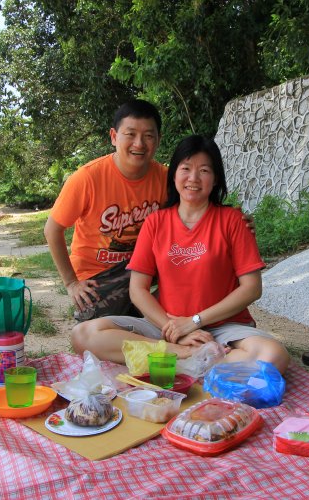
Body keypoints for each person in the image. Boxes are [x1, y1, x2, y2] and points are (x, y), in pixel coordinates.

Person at [71, 135, 290, 374]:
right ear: (174, 174)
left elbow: (251, 288)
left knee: (273, 356)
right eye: (185, 169)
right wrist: (174, 330)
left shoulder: (233, 221)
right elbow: (138, 290)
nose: (193, 179)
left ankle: (173, 361)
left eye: (204, 170)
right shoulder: (155, 222)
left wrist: (194, 322)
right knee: (83, 335)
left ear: (215, 178)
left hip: (223, 327)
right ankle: (187, 357)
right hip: (164, 327)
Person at [44, 99, 167, 321]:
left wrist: (232, 219)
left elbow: (196, 214)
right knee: (103, 328)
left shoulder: (167, 179)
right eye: (130, 134)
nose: (139, 143)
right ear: (113, 136)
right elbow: (52, 230)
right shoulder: (88, 177)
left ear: (158, 140)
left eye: (148, 136)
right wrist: (72, 283)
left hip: (144, 268)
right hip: (97, 276)